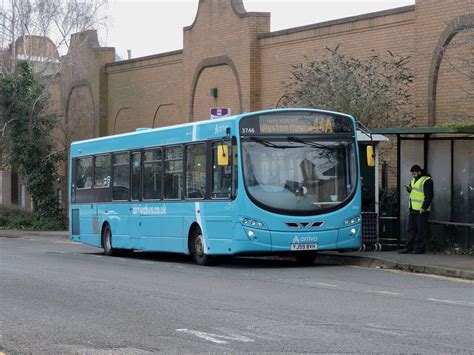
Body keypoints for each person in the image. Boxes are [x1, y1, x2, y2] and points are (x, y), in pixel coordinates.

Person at [399, 165, 434, 254]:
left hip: (421, 210)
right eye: (412, 174)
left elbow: (429, 196)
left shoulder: (427, 181)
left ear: (419, 172)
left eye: (414, 173)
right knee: (411, 229)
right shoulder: (414, 180)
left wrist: (424, 207)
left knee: (421, 230)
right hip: (413, 208)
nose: (413, 175)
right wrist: (409, 189)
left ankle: (419, 248)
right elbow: (413, 191)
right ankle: (408, 247)